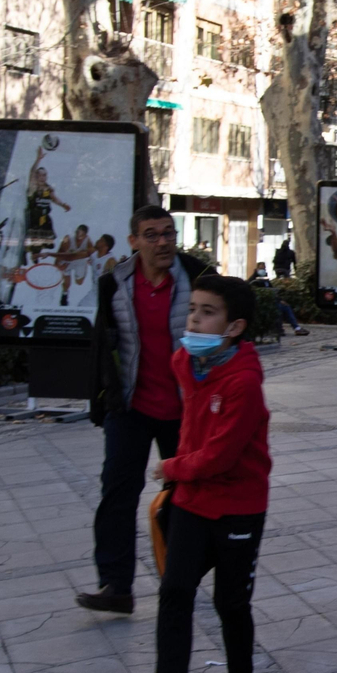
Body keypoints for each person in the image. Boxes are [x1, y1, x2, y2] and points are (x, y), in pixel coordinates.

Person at [122, 275, 271, 673]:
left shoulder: (245, 382)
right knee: (174, 594)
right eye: (193, 309)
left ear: (234, 326)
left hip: (238, 507)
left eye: (208, 312)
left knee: (230, 602)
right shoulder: (187, 360)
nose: (194, 319)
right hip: (191, 503)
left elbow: (222, 457)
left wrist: (170, 466)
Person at [78, 206, 213, 615]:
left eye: (168, 233)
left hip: (184, 408)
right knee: (117, 494)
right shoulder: (114, 283)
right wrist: (101, 399)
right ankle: (116, 585)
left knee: (185, 497)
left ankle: (181, 578)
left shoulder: (199, 276)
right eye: (151, 235)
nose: (162, 242)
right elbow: (103, 346)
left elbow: (227, 327)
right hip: (131, 406)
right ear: (134, 241)